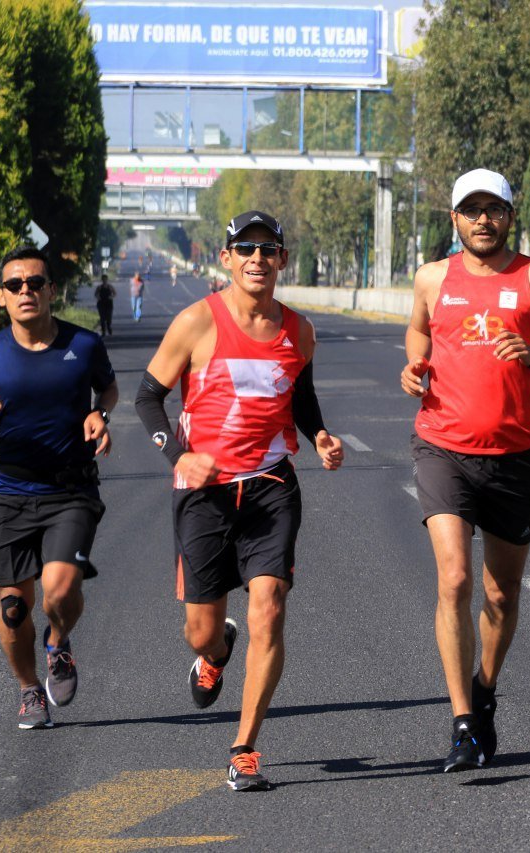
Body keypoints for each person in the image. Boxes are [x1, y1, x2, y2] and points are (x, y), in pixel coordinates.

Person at [135, 210, 344, 791]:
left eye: (268, 249)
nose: (257, 259)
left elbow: (300, 396)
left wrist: (319, 435)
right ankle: (216, 650)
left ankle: (245, 747)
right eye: (245, 249)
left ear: (281, 260)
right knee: (200, 631)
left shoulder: (299, 331)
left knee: (270, 607)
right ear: (225, 258)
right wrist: (177, 457)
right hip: (203, 492)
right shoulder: (196, 322)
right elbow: (148, 399)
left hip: (272, 486)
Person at [400, 168, 530, 772]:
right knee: (454, 579)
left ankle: (484, 690)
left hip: (514, 457)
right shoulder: (433, 278)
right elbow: (417, 331)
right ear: (453, 219)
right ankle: (461, 723)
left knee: (501, 595)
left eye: (494, 208)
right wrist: (415, 365)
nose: (483, 219)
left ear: (511, 214)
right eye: (471, 210)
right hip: (442, 447)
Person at [0, 246, 118, 730]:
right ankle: (29, 690)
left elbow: (107, 389)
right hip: (11, 492)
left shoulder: (83, 345)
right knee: (12, 607)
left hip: (71, 490)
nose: (25, 291)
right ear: (1, 297)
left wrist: (99, 414)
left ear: (50, 291)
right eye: (14, 285)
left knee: (60, 591)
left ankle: (57, 643)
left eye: (34, 283)